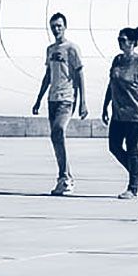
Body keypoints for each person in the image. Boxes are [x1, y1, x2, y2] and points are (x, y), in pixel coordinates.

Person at [31, 12, 87, 195]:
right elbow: (48, 76)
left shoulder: (72, 49)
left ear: (65, 27)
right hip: (52, 99)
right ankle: (64, 177)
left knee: (59, 130)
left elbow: (79, 74)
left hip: (67, 98)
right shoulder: (50, 50)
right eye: (53, 26)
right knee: (56, 138)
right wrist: (38, 99)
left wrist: (83, 102)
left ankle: (66, 177)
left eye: (59, 26)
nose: (56, 29)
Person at [101, 26, 138, 199]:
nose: (120, 42)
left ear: (132, 42)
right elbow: (111, 84)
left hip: (135, 114)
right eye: (119, 39)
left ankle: (132, 188)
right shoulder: (117, 60)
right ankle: (137, 174)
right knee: (114, 147)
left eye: (123, 40)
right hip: (118, 113)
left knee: (132, 148)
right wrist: (105, 106)